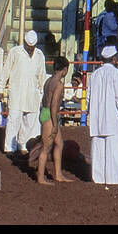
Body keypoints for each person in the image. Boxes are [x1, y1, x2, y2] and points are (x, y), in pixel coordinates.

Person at [87, 45, 118, 184]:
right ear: (114, 59)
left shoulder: (94, 74)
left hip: (97, 118)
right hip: (112, 118)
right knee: (116, 150)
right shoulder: (116, 74)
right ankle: (116, 179)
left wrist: (90, 113)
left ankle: (99, 178)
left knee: (99, 151)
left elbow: (88, 98)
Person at [0, 31, 47, 154]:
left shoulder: (40, 55)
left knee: (30, 123)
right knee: (13, 121)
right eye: (28, 47)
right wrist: (0, 89)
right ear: (24, 43)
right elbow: (6, 71)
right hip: (17, 93)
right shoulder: (15, 52)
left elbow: (42, 75)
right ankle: (10, 147)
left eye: (32, 47)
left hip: (33, 94)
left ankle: (24, 146)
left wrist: (44, 93)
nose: (30, 50)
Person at [37, 56, 75, 185]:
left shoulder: (48, 81)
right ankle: (40, 178)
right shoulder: (59, 84)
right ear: (64, 69)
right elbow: (54, 105)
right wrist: (54, 124)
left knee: (59, 144)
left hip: (45, 113)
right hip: (50, 115)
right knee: (46, 148)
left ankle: (58, 174)